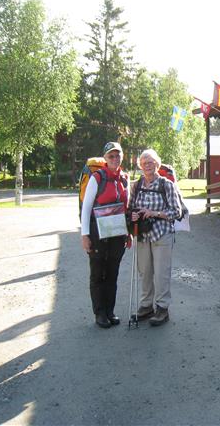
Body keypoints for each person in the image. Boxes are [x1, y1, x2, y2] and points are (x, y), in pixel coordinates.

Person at [80, 141, 130, 328]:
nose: (115, 159)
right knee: (97, 273)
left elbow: (127, 207)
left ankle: (110, 311)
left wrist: (129, 233)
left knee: (112, 273)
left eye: (118, 155)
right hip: (96, 233)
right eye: (111, 156)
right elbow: (86, 208)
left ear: (122, 157)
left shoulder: (124, 178)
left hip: (118, 233)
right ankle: (99, 313)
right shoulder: (97, 178)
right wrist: (85, 235)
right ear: (105, 158)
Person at [130, 149, 182, 326]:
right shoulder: (136, 185)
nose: (147, 166)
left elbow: (177, 212)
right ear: (140, 166)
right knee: (144, 272)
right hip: (142, 235)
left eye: (151, 162)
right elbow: (130, 208)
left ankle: (162, 308)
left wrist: (154, 213)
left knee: (161, 274)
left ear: (157, 164)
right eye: (144, 163)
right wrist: (133, 215)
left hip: (162, 234)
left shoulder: (166, 184)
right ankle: (146, 306)